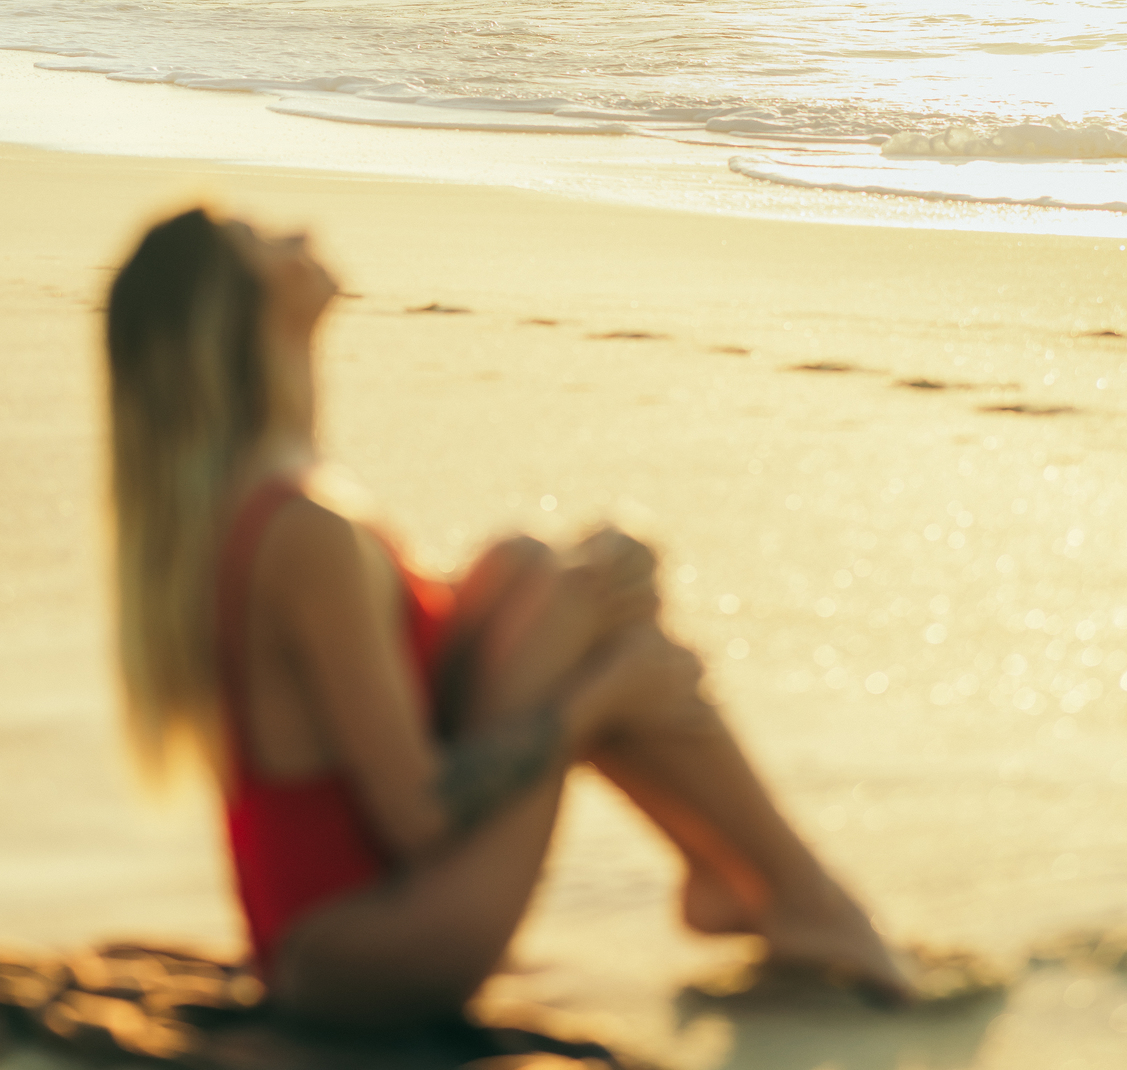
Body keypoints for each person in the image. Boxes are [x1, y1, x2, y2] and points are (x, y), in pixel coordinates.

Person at [105, 207, 910, 1025]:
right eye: (265, 243)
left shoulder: (273, 494)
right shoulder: (300, 529)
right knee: (587, 622)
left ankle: (761, 889)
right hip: (374, 948)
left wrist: (561, 595)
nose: (300, 234)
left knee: (530, 567)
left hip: (364, 919)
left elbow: (409, 676)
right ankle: (793, 897)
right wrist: (603, 693)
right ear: (234, 317)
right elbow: (416, 815)